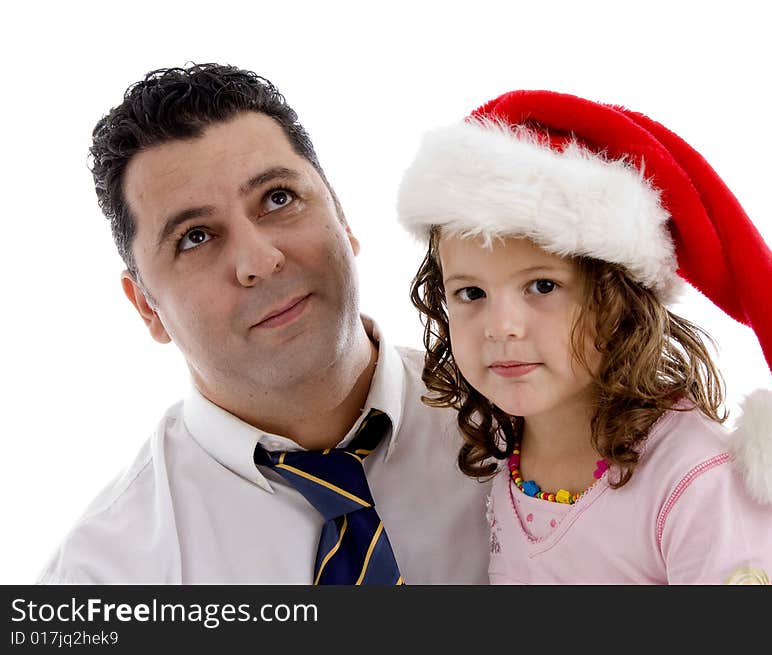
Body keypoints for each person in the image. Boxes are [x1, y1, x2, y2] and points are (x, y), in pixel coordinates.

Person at [37, 63, 490, 584]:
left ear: (342, 217)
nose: (259, 259)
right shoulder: (103, 579)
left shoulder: (529, 423)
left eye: (278, 199)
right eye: (195, 237)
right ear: (146, 307)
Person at [396, 90, 772, 584]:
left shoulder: (696, 483)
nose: (501, 325)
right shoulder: (497, 441)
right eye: (471, 292)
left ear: (616, 299)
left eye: (543, 286)